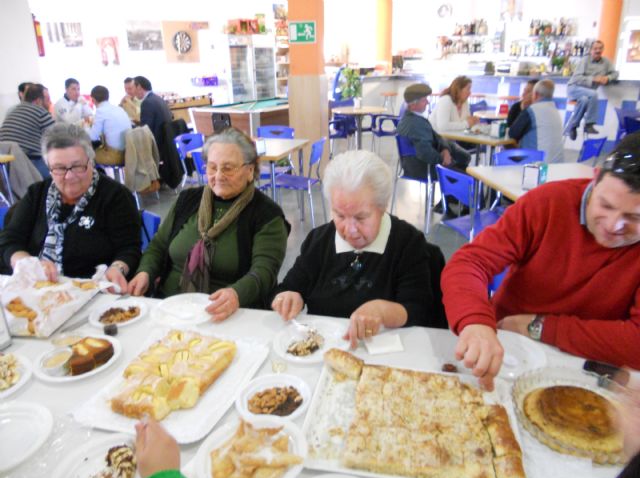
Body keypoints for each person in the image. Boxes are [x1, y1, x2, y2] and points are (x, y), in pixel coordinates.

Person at [441, 132, 640, 391]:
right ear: (596, 177)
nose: (614, 225)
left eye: (634, 218)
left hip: (590, 371)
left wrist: (541, 327)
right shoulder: (547, 203)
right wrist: (475, 322)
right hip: (507, 351)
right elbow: (470, 262)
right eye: (606, 205)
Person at [271, 150, 447, 347]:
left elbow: (418, 309)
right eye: (340, 215)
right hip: (325, 349)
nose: (350, 230)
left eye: (361, 218)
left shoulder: (407, 243)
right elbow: (289, 287)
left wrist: (382, 311)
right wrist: (289, 296)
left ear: (382, 208)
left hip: (385, 352)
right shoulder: (319, 241)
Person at [128, 127, 289, 322]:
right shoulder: (188, 200)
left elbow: (264, 272)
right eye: (212, 167)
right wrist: (145, 272)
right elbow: (158, 246)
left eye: (228, 168)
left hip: (227, 315)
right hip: (170, 308)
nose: (218, 175)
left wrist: (236, 294)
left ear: (250, 171)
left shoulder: (266, 215)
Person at [0, 123, 141, 291]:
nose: (69, 176)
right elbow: (9, 241)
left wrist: (117, 268)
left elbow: (129, 249)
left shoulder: (115, 196)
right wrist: (26, 263)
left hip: (91, 291)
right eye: (59, 168)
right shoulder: (37, 194)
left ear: (91, 161)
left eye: (77, 166)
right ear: (49, 168)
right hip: (34, 290)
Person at [396, 83, 471, 180]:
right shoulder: (416, 124)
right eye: (424, 100)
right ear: (413, 105)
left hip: (411, 166)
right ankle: (455, 190)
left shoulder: (408, 119)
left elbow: (436, 136)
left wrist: (445, 149)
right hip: (426, 169)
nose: (427, 102)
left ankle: (453, 189)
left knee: (461, 157)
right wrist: (443, 158)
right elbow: (425, 152)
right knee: (469, 177)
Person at [565, 40, 619, 140]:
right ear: (590, 50)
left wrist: (608, 78)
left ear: (603, 49)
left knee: (585, 100)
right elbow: (576, 78)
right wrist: (593, 79)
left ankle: (573, 126)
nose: (598, 51)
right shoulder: (584, 60)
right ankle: (589, 124)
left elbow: (615, 74)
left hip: (587, 94)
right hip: (574, 88)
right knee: (593, 94)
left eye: (600, 48)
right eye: (595, 49)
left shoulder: (606, 62)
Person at [0, 83, 55, 178]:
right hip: (29, 163)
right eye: (47, 99)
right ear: (38, 101)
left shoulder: (12, 111)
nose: (49, 102)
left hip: (5, 167)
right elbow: (58, 140)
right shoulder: (41, 113)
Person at [508, 79, 564, 163]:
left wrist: (523, 110)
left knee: (508, 151)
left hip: (538, 166)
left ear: (535, 95)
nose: (524, 94)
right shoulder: (555, 111)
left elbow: (512, 134)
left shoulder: (531, 110)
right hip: (557, 166)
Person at [89, 85, 132, 164]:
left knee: (86, 155)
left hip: (114, 156)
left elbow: (93, 136)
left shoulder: (101, 111)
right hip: (127, 154)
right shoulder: (118, 109)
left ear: (93, 99)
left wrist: (85, 127)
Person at [133, 75, 172, 149]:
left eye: (133, 88)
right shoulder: (157, 98)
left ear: (139, 87)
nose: (133, 92)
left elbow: (146, 130)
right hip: (166, 141)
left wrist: (132, 127)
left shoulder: (147, 102)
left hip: (157, 145)